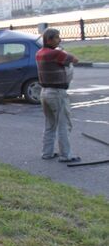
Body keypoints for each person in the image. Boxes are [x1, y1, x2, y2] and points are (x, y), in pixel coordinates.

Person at [36, 28, 80, 163]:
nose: (59, 40)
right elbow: (75, 60)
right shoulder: (55, 53)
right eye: (57, 37)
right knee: (64, 124)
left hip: (44, 92)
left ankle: (47, 152)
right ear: (49, 40)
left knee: (50, 124)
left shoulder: (39, 53)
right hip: (57, 93)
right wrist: (62, 50)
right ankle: (66, 155)